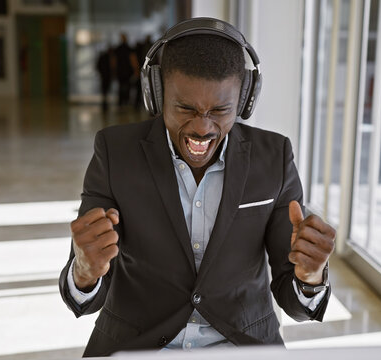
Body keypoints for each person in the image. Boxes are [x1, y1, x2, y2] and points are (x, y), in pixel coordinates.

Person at [59, 18, 336, 357]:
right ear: (157, 93)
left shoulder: (274, 157)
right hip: (138, 345)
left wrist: (311, 278)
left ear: (245, 99)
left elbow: (294, 302)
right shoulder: (115, 152)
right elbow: (85, 297)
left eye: (220, 110)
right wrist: (85, 272)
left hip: (242, 347)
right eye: (185, 108)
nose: (202, 128)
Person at [112, 33, 138, 107]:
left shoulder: (118, 49)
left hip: (120, 71)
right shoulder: (129, 48)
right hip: (127, 71)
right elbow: (133, 60)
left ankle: (121, 102)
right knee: (127, 86)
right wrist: (136, 70)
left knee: (121, 86)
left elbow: (114, 61)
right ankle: (125, 101)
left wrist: (113, 70)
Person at [96, 46, 113, 112]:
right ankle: (104, 103)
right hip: (106, 76)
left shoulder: (103, 57)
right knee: (105, 90)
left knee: (104, 90)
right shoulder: (107, 58)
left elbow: (98, 66)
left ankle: (104, 103)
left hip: (104, 76)